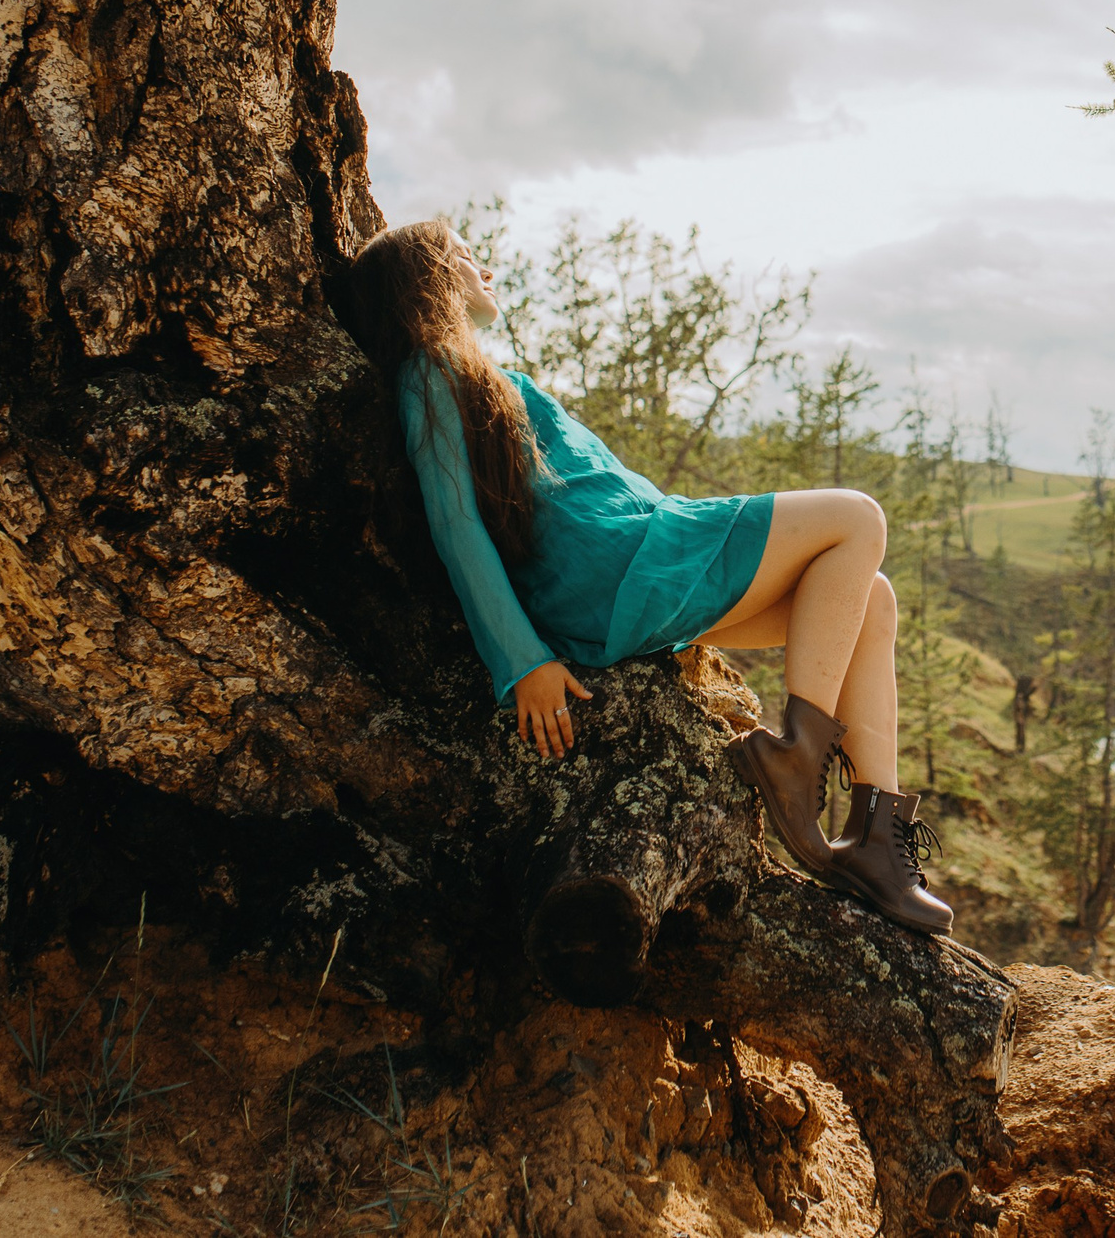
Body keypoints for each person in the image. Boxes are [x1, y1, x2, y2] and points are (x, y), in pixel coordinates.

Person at [346, 219, 952, 936]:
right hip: (626, 566)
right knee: (858, 518)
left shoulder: (468, 374)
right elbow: (456, 527)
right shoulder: (429, 372)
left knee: (870, 598)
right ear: (430, 285)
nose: (482, 266)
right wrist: (522, 661)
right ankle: (795, 757)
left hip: (641, 564)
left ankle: (877, 838)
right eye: (463, 257)